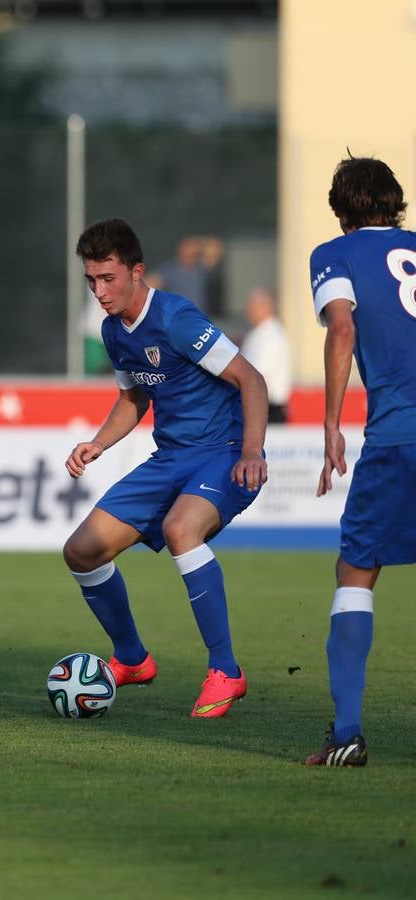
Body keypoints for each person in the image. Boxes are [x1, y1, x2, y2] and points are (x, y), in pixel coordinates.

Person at [61, 218, 269, 719]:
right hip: (170, 458)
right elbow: (134, 399)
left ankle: (226, 670)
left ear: (137, 271)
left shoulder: (176, 318)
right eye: (91, 280)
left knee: (182, 529)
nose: (99, 290)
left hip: (224, 451)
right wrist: (99, 443)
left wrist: (252, 452)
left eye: (107, 278)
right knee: (81, 551)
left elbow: (252, 378)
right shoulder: (114, 332)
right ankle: (132, 658)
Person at [306, 156, 416, 767]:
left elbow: (341, 328)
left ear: (341, 209)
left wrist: (330, 422)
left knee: (357, 572)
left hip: (400, 434)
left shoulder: (335, 255)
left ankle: (346, 732)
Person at [240, 287, 292, 423]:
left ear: (265, 307)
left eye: (252, 306)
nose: (248, 311)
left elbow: (256, 373)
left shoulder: (272, 336)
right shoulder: (258, 333)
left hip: (269, 409)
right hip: (258, 405)